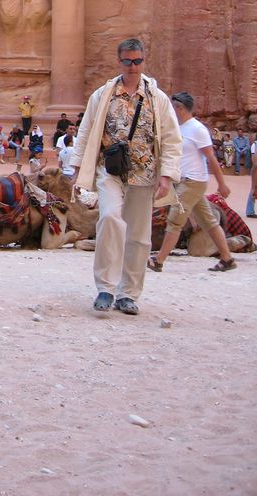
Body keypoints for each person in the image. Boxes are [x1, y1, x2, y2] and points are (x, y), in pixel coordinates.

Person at [71, 37, 181, 315]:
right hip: (110, 170)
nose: (133, 66)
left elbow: (171, 137)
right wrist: (77, 167)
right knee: (109, 218)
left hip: (145, 173)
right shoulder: (102, 95)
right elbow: (86, 131)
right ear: (119, 61)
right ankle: (106, 288)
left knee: (139, 235)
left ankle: (128, 294)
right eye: (128, 61)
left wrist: (167, 175)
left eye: (137, 61)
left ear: (144, 60)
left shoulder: (157, 98)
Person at [147, 92, 236, 273]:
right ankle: (227, 258)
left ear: (179, 108)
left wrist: (222, 184)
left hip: (193, 181)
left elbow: (211, 158)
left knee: (175, 219)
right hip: (185, 181)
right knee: (208, 221)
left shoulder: (197, 129)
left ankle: (159, 260)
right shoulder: (179, 128)